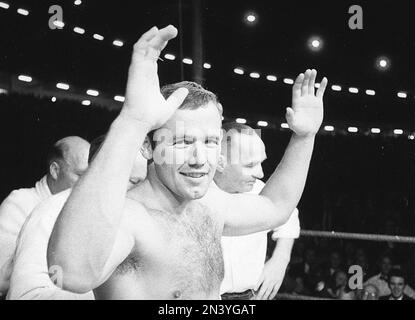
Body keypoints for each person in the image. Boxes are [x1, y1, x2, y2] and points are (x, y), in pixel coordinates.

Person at [47, 25, 328, 299]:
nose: (199, 160)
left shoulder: (209, 206)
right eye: (182, 142)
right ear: (148, 147)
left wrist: (303, 137)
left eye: (209, 142)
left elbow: (275, 207)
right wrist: (132, 121)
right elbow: (72, 274)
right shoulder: (130, 218)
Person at [6, 135, 150, 300]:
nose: (142, 192)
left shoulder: (137, 218)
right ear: (99, 172)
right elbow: (27, 295)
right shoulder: (52, 212)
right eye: (134, 182)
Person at [215, 122, 300, 300]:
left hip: (252, 296)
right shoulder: (195, 194)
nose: (260, 173)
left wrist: (280, 260)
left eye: (261, 163)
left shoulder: (260, 190)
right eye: (250, 165)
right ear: (220, 162)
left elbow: (290, 215)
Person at [0, 136, 90, 297]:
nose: (88, 183)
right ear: (55, 170)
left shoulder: (84, 210)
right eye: (81, 175)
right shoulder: (20, 203)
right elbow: (2, 278)